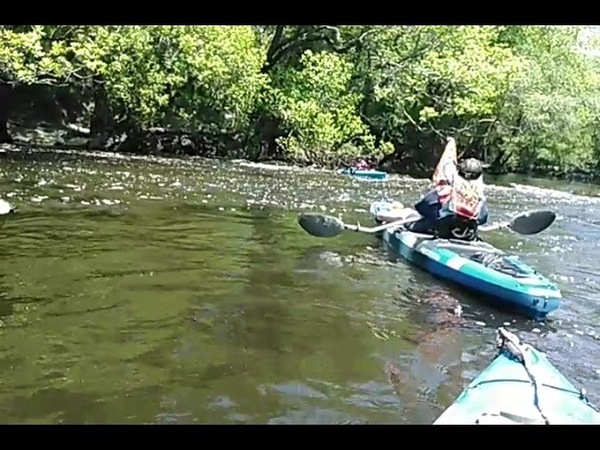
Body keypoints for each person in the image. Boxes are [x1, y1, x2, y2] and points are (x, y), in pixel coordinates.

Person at [405, 137, 489, 241]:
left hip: (440, 232)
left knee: (409, 223)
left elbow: (422, 208)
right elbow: (482, 220)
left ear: (457, 174)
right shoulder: (481, 200)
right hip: (467, 237)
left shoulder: (444, 192)